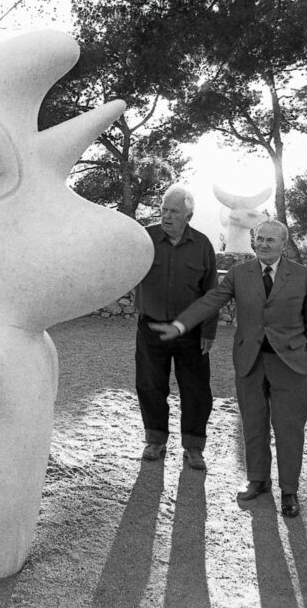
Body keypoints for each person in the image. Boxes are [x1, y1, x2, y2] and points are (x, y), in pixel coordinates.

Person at [151, 219, 307, 517]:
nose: (264, 244)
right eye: (260, 239)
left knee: (289, 429)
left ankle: (289, 491)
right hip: (250, 362)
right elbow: (211, 301)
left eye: (271, 240)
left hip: (292, 365)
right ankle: (257, 480)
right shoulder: (239, 274)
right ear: (254, 241)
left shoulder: (302, 276)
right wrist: (181, 324)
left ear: (284, 244)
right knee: (253, 423)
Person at [133, 184, 219, 469]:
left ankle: (193, 447)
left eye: (174, 212)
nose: (167, 216)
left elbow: (211, 292)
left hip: (190, 331)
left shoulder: (203, 245)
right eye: (164, 210)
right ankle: (155, 440)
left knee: (196, 390)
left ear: (189, 216)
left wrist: (208, 331)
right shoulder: (144, 238)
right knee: (150, 385)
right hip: (152, 328)